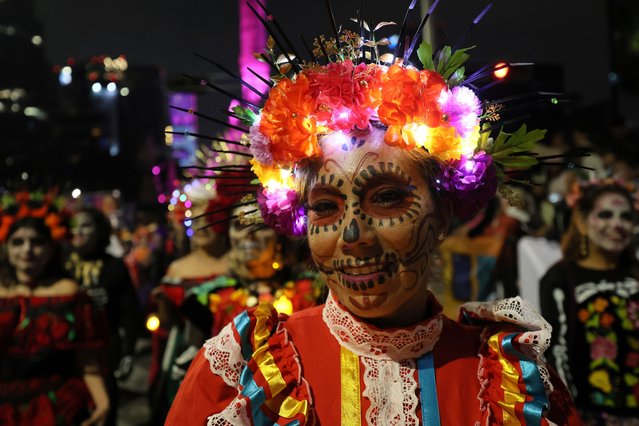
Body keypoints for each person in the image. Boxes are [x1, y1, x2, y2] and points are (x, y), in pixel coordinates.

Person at [165, 4, 581, 423]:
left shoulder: (510, 377)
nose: (351, 235)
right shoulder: (247, 367)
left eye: (386, 199)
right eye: (325, 207)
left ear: (440, 218)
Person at [0, 197, 109, 425]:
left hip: (55, 407)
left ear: (52, 248)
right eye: (18, 242)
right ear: (6, 247)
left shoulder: (69, 294)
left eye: (37, 242)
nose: (27, 250)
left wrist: (102, 401)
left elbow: (87, 358)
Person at [540, 180, 639, 423]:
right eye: (605, 214)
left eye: (626, 216)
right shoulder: (560, 278)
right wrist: (573, 414)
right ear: (583, 222)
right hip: (589, 415)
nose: (617, 225)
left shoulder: (636, 274)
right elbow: (557, 352)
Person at [66, 206, 141, 426]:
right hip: (67, 352)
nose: (78, 230)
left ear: (99, 230)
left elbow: (130, 312)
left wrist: (128, 352)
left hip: (105, 352)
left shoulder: (114, 266)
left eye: (86, 225)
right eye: (74, 225)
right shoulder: (59, 263)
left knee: (104, 412)